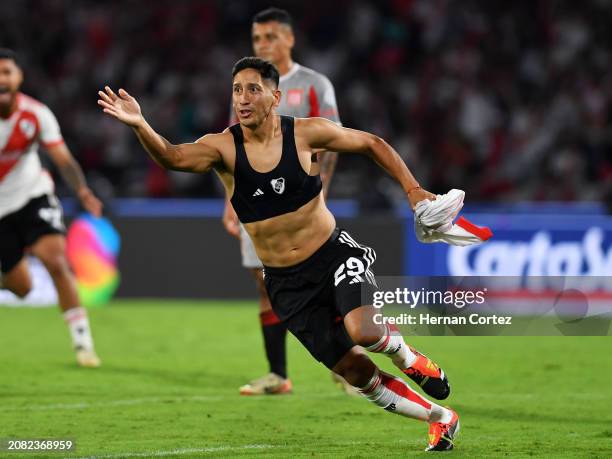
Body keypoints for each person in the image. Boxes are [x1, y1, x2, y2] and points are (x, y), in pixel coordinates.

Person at [98, 57, 460, 451]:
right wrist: (140, 125)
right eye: (237, 90)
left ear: (276, 95)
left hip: (334, 256)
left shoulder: (305, 134)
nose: (243, 98)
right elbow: (172, 156)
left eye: (253, 89)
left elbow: (372, 143)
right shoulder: (223, 147)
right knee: (355, 373)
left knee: (365, 331)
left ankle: (410, 359)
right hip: (286, 284)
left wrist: (413, 191)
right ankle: (440, 418)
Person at [222, 7, 343, 396]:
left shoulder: (313, 83)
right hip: (256, 203)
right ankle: (278, 373)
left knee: (320, 280)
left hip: (302, 204)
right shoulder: (247, 87)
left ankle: (342, 361)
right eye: (258, 38)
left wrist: (322, 186)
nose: (263, 44)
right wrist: (229, 203)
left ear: (289, 38)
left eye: (271, 37)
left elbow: (334, 138)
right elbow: (232, 147)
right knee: (263, 282)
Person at [0, 48, 102, 368]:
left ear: (19, 78)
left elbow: (63, 159)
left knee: (57, 262)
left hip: (33, 197)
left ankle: (83, 342)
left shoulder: (37, 114)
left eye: (7, 73)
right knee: (22, 287)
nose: (1, 80)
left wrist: (82, 190)